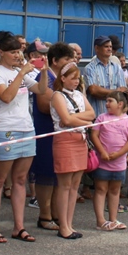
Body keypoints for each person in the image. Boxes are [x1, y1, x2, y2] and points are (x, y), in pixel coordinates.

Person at [0, 33, 39, 244]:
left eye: (20, 51)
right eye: (13, 52)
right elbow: (6, 97)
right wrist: (21, 74)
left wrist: (42, 72)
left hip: (27, 128)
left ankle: (19, 226)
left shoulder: (21, 72)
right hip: (5, 129)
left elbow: (42, 91)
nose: (18, 55)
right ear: (2, 53)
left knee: (20, 179)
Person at [29, 42, 75, 230]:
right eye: (66, 59)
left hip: (60, 130)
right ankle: (44, 215)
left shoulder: (62, 78)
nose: (69, 63)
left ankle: (56, 213)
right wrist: (65, 111)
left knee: (58, 174)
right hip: (46, 129)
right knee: (45, 173)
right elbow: (42, 104)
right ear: (55, 60)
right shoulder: (46, 76)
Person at [50, 63, 95, 239]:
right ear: (63, 78)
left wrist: (75, 120)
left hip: (80, 139)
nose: (76, 81)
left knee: (74, 185)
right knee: (65, 184)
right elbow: (65, 120)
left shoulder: (79, 94)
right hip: (65, 140)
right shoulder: (57, 95)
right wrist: (82, 121)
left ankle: (69, 223)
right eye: (72, 78)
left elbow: (91, 114)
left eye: (78, 78)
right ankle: (63, 225)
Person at [89, 92, 128, 231]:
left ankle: (113, 219)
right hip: (103, 161)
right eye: (107, 100)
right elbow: (94, 135)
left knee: (115, 190)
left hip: (119, 162)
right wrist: (102, 152)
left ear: (120, 104)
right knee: (100, 189)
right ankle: (100, 220)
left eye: (110, 101)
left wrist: (120, 154)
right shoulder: (101, 118)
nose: (107, 104)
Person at [83, 36, 127, 118]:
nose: (109, 49)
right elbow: (93, 90)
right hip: (97, 117)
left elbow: (123, 91)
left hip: (115, 117)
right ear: (97, 48)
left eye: (110, 46)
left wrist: (102, 92)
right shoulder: (89, 68)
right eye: (106, 46)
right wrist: (116, 91)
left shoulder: (117, 67)